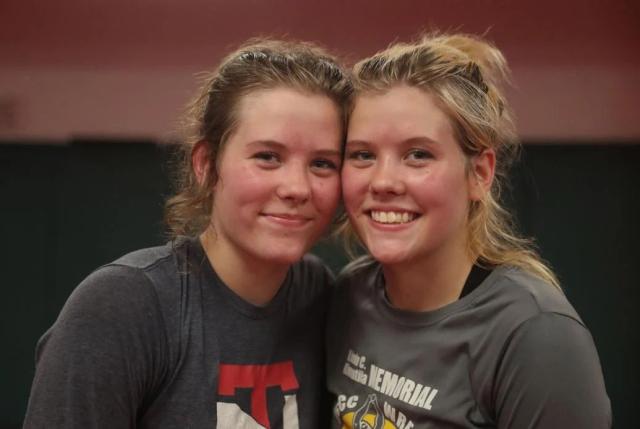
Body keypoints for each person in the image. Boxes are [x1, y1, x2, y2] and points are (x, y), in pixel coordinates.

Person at [24, 38, 352, 428]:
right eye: (268, 157)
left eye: (322, 163)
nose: (297, 188)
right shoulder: (123, 306)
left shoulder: (318, 295)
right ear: (206, 165)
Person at [327, 33, 611, 428]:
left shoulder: (536, 335)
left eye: (418, 154)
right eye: (362, 155)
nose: (384, 181)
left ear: (479, 174)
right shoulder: (349, 295)